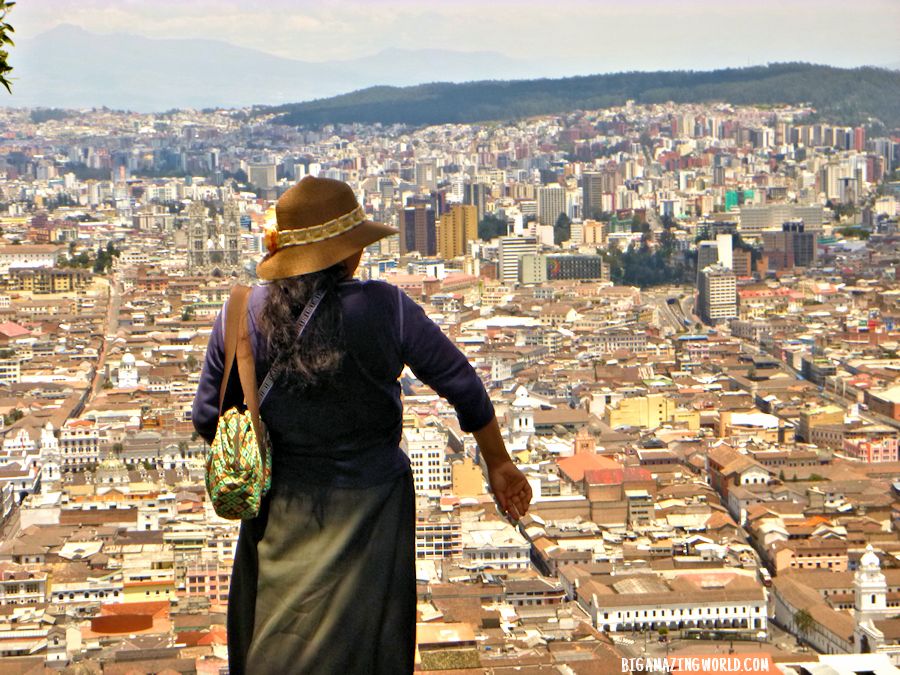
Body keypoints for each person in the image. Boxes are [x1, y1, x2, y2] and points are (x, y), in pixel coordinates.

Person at [191, 176, 532, 674]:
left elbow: (207, 419)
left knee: (277, 636)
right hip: (372, 507)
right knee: (367, 643)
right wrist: (498, 462)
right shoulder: (387, 308)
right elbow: (463, 385)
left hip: (280, 510)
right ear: (346, 253)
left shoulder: (242, 312)